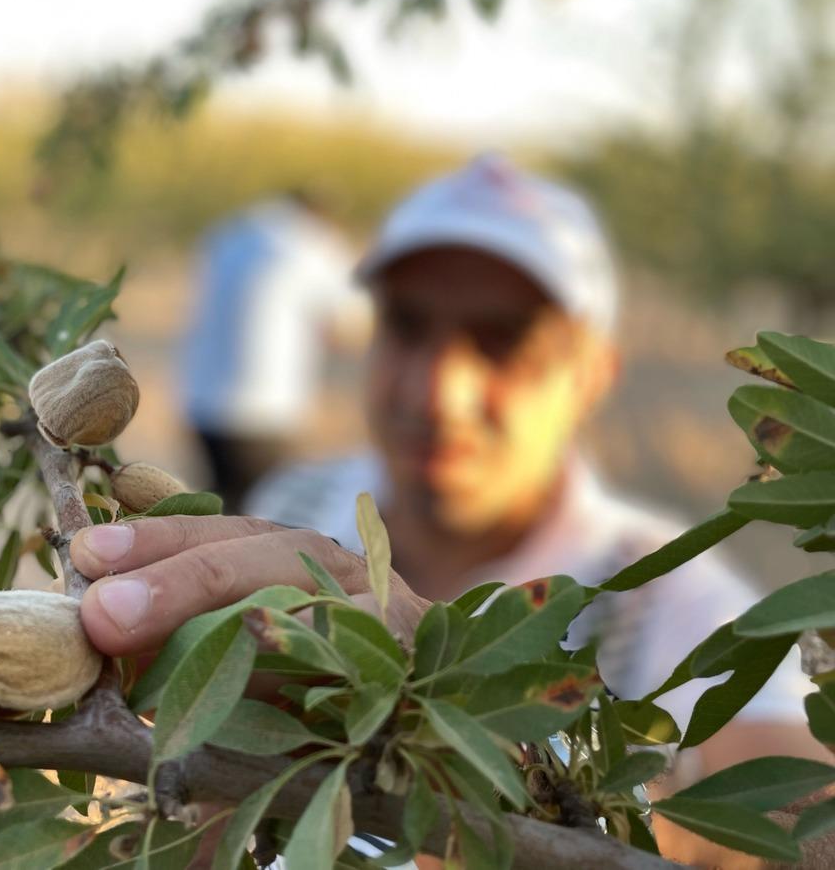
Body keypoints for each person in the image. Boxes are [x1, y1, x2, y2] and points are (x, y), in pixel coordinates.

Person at [73, 155, 827, 865]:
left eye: (503, 342)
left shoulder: (669, 599)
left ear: (592, 375)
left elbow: (802, 821)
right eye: (407, 324)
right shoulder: (300, 504)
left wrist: (489, 749)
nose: (438, 392)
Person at [178, 190, 365, 510]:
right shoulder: (312, 244)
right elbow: (350, 328)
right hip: (266, 412)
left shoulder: (230, 232)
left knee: (217, 512)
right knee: (263, 523)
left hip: (202, 403)